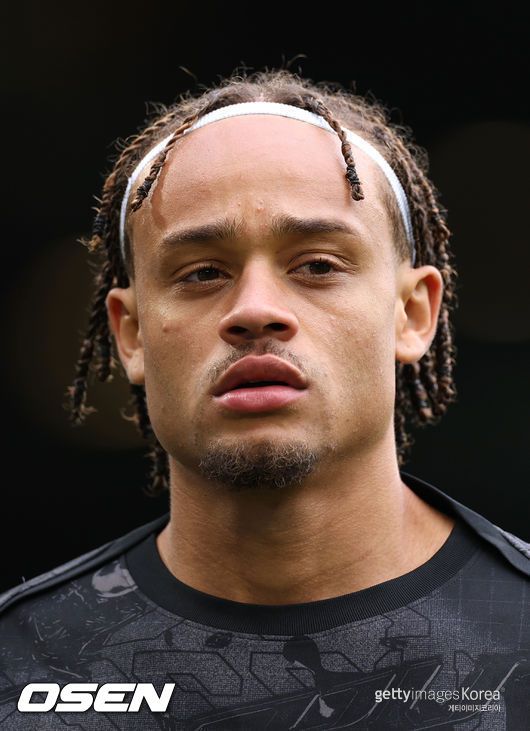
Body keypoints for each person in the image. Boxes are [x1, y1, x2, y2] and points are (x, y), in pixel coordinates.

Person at [1, 68, 528, 729]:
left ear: (412, 314)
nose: (255, 310)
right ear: (130, 333)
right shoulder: (22, 664)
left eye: (317, 265)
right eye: (202, 272)